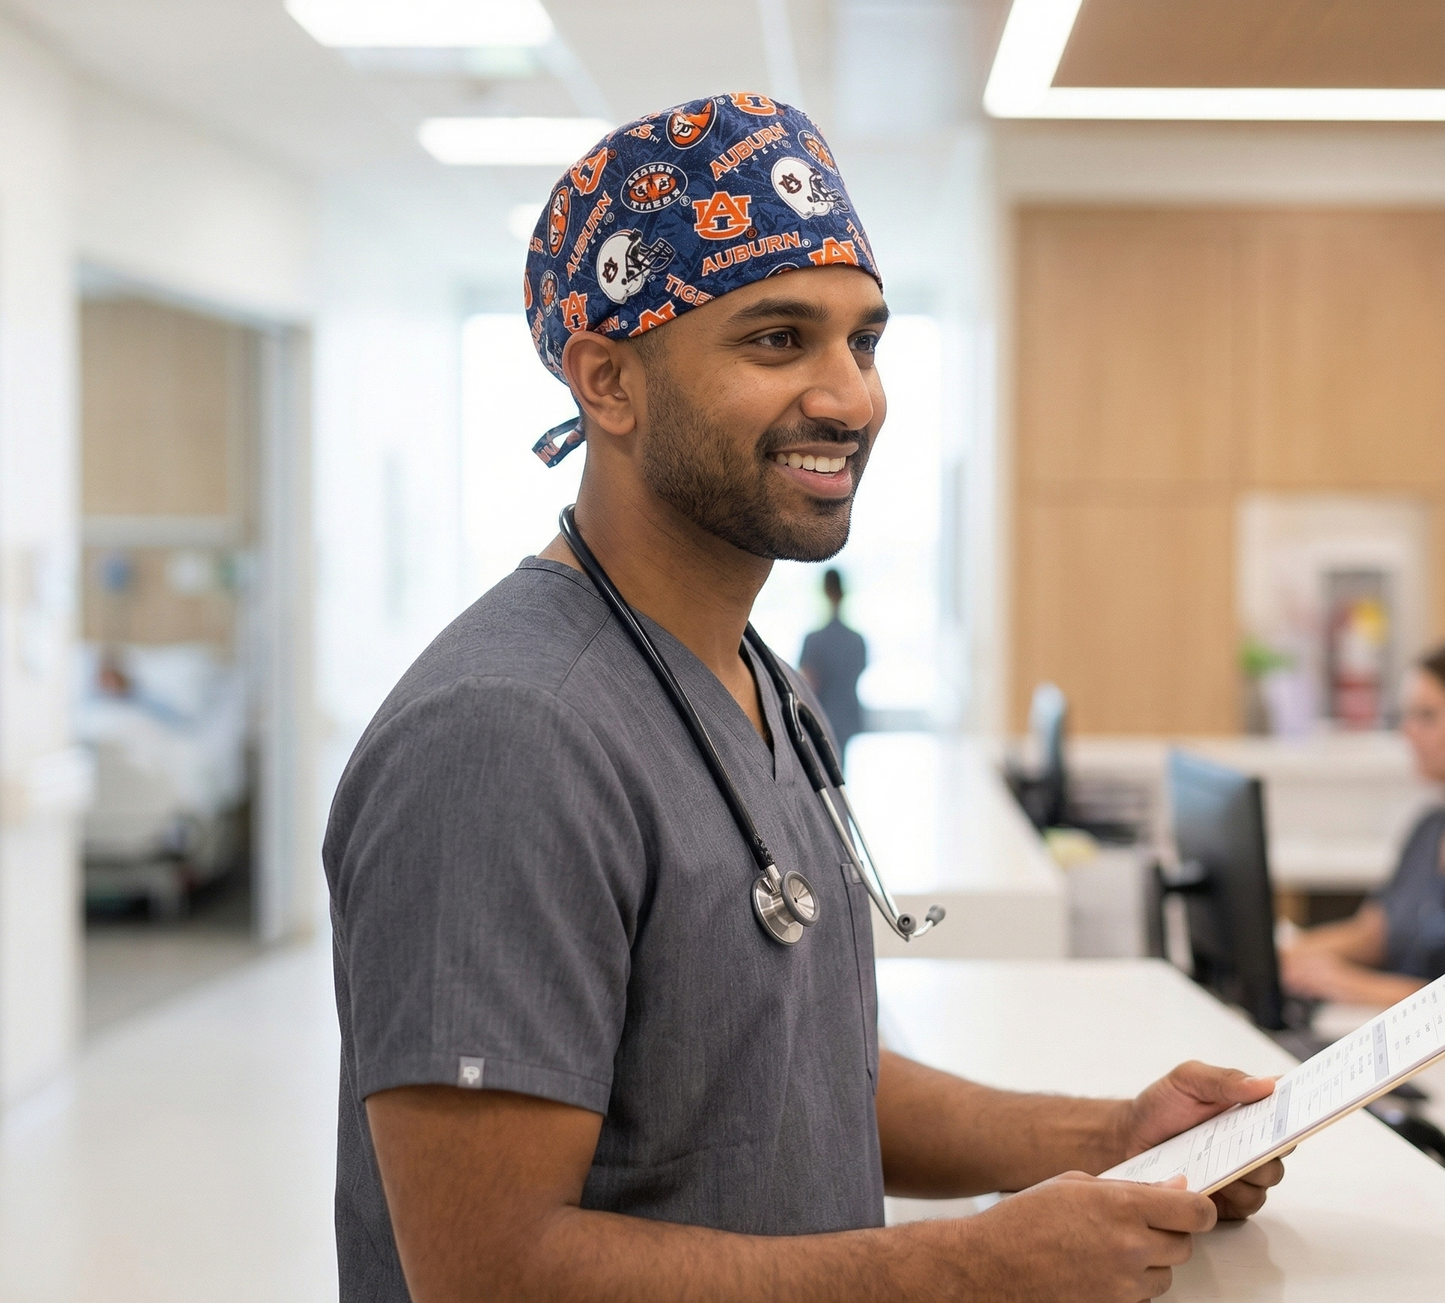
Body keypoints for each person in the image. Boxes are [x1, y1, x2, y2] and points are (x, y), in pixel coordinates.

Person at [324, 94, 1284, 1303]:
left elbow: (792, 1076)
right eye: (777, 339)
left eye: (864, 340)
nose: (850, 398)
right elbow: (491, 1268)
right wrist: (970, 1267)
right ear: (606, 381)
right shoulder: (508, 736)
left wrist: (1102, 1136)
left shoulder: (754, 680)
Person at [1280, 644, 1445, 1008]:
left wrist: (1344, 981)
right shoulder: (1429, 828)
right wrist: (1290, 955)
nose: (1408, 733)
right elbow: (1372, 933)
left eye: (1427, 716)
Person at [799, 568, 867, 754]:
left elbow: (808, 680)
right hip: (847, 712)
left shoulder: (814, 640)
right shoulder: (856, 640)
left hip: (822, 712)